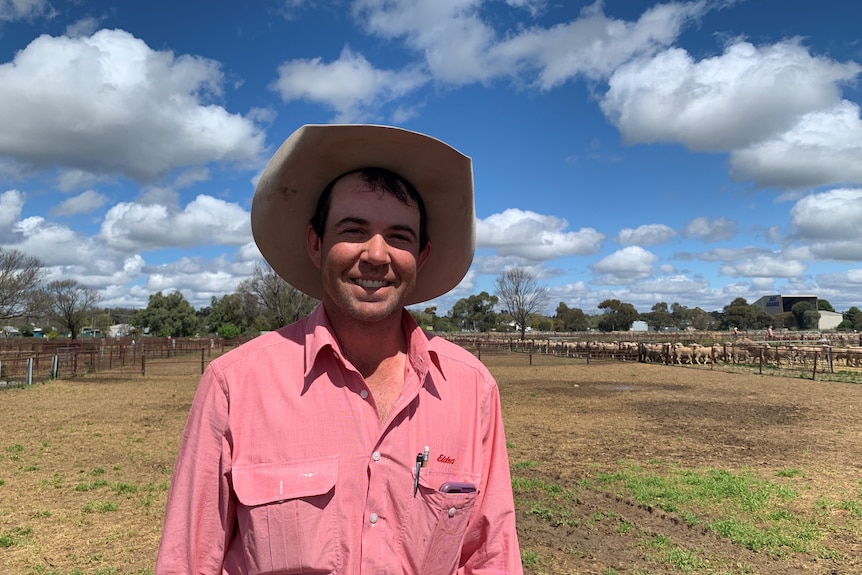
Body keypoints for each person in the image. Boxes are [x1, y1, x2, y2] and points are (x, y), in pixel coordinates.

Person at [155, 124, 523, 574]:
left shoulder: (472, 391)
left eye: (400, 236)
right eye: (353, 229)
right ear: (316, 244)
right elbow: (188, 561)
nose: (375, 254)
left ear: (421, 257)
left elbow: (490, 557)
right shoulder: (235, 385)